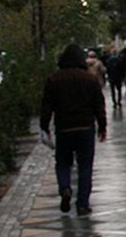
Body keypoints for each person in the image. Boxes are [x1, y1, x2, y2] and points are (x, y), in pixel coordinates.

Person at [40, 44, 106, 216]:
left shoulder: (54, 79)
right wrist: (102, 126)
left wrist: (44, 127)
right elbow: (99, 105)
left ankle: (65, 188)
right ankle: (83, 204)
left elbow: (47, 106)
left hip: (63, 128)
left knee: (62, 162)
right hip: (85, 127)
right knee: (85, 165)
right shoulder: (90, 79)